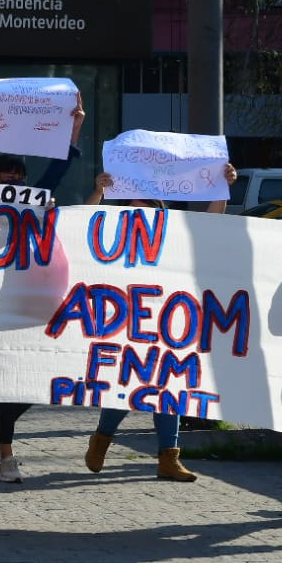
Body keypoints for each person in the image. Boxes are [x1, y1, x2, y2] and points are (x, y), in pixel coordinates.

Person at [0, 92, 86, 484]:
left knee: (48, 375)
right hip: (3, 299)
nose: (14, 181)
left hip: (43, 299)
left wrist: (75, 125)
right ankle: (7, 457)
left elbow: (59, 169)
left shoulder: (35, 202)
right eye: (5, 175)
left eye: (20, 176)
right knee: (7, 376)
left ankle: (0, 428)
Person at [80, 170, 233, 482]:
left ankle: (168, 457)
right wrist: (98, 191)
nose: (142, 215)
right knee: (126, 386)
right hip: (126, 321)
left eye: (148, 208)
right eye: (135, 209)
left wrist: (222, 187)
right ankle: (102, 439)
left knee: (168, 387)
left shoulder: (173, 236)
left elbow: (209, 228)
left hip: (168, 321)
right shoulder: (115, 236)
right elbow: (82, 223)